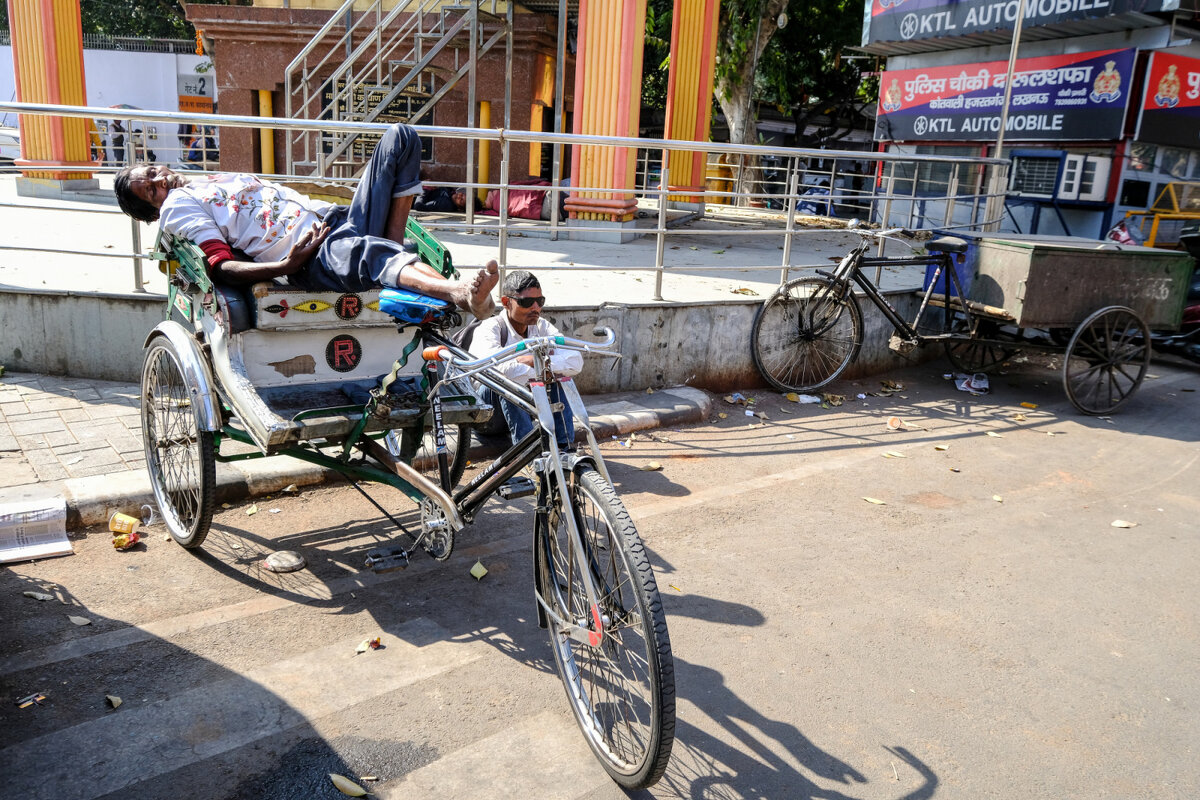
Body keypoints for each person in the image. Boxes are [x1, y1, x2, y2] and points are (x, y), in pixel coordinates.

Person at [114, 123, 497, 319]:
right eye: (151, 190)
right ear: (153, 210)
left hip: (336, 218)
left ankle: (391, 251)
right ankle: (457, 293)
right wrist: (286, 265)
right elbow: (219, 265)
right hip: (315, 254)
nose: (159, 179)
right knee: (362, 250)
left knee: (401, 137)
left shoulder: (202, 183)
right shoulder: (177, 207)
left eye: (152, 171)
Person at [468, 270, 581, 450]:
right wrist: (542, 367)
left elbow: (575, 360)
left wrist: (534, 362)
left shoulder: (541, 327)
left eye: (540, 301)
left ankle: (564, 449)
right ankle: (531, 454)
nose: (535, 308)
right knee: (509, 382)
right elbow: (497, 370)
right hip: (487, 418)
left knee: (560, 378)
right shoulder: (490, 329)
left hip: (525, 411)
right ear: (506, 302)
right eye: (527, 302)